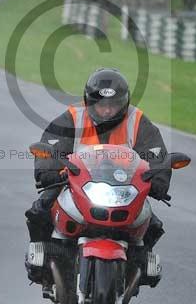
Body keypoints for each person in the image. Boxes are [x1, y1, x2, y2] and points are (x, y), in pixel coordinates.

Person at [25, 67, 171, 280]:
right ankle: (42, 262)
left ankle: (139, 268)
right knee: (40, 210)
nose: (107, 111)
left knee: (152, 224)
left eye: (113, 105)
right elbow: (51, 144)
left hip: (123, 191)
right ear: (88, 101)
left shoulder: (138, 121)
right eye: (101, 105)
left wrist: (159, 180)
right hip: (76, 186)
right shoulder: (73, 118)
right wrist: (48, 171)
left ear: (125, 102)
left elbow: (156, 154)